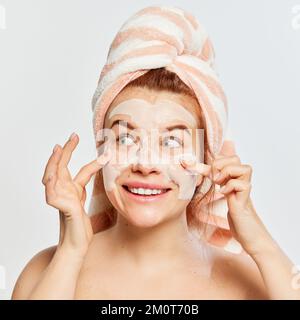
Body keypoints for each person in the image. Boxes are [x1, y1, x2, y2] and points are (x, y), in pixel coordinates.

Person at [11, 6, 300, 300]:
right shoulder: (45, 273)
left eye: (172, 142)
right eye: (124, 137)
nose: (146, 163)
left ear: (207, 160)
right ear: (101, 148)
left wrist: (261, 244)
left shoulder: (251, 282)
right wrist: (70, 254)